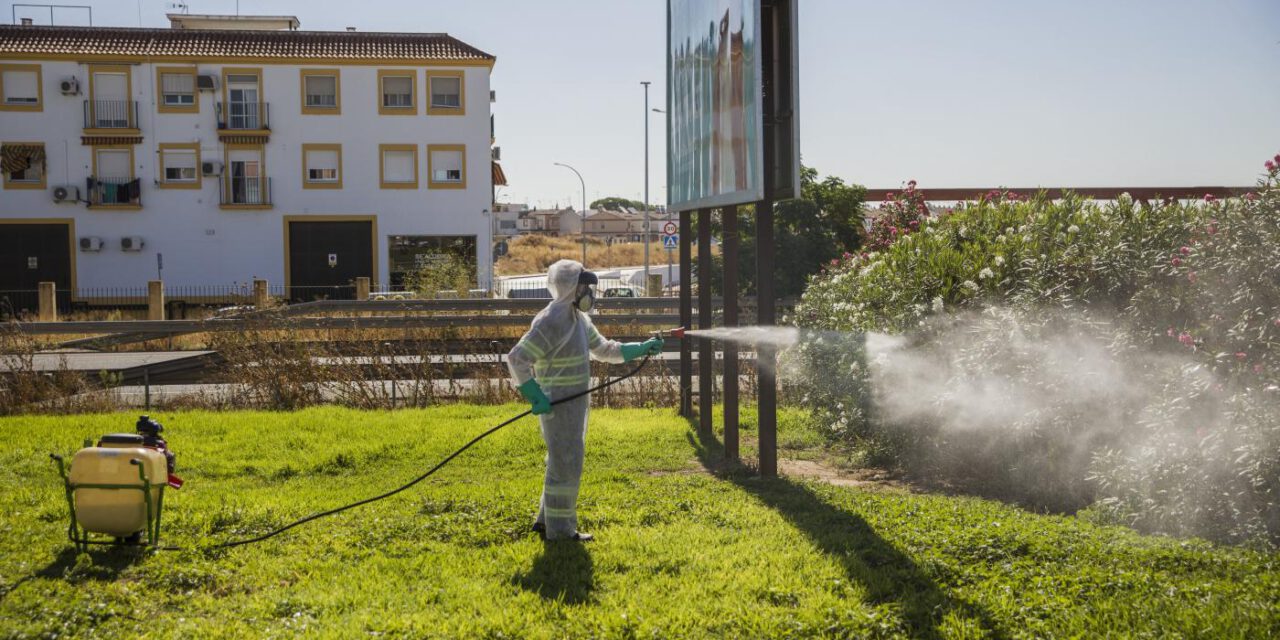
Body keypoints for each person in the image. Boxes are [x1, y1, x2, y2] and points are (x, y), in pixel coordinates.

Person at [507, 260, 664, 542]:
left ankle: (546, 520)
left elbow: (604, 349)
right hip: (557, 404)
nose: (589, 293)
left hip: (573, 404)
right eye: (584, 287)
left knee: (561, 462)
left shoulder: (578, 319)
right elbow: (517, 358)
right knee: (566, 463)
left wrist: (640, 347)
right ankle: (561, 531)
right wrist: (534, 395)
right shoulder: (551, 321)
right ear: (570, 288)